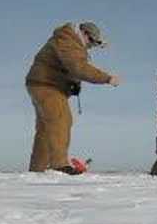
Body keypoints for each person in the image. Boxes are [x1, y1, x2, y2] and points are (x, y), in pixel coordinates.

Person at [25, 21, 120, 174]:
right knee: (61, 119)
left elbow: (71, 67)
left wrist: (74, 84)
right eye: (91, 42)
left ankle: (38, 169)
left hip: (42, 84)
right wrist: (107, 78)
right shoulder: (68, 40)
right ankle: (59, 165)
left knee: (45, 129)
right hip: (47, 85)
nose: (91, 46)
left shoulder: (71, 42)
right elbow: (78, 67)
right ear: (84, 33)